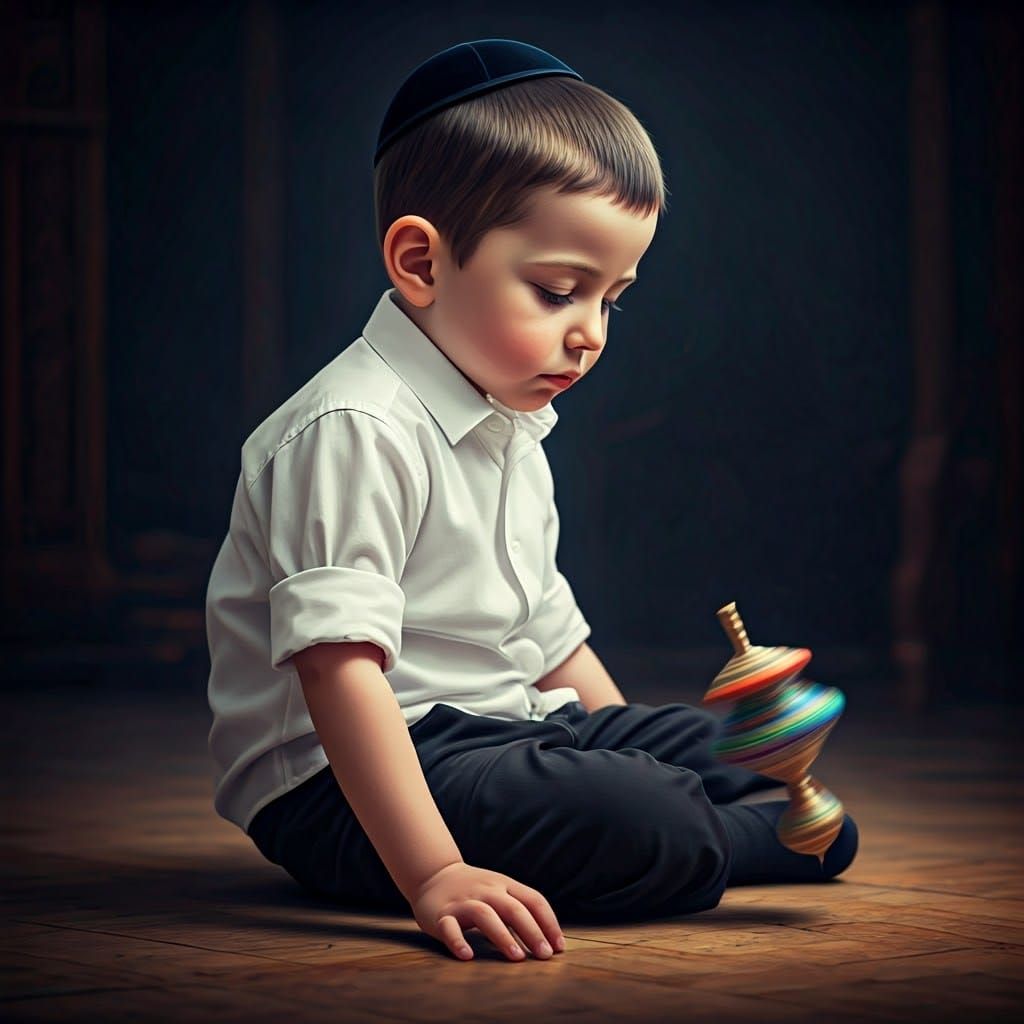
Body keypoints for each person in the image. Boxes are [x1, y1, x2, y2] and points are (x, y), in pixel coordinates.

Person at [205, 38, 858, 966]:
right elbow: (338, 672)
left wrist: (635, 758)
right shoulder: (352, 427)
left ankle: (695, 824)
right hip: (344, 786)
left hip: (502, 732)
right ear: (422, 263)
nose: (589, 335)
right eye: (558, 291)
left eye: (613, 300)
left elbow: (553, 645)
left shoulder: (509, 421)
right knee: (651, 817)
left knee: (719, 746)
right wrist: (433, 872)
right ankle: (711, 842)